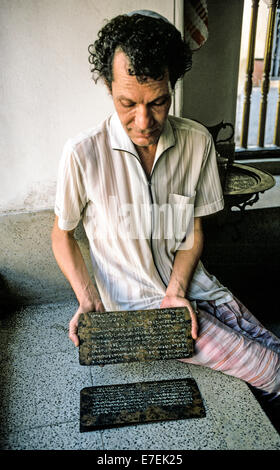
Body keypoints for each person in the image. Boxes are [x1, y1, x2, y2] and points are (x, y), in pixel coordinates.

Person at [51, 10, 280, 397]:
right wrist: (88, 298)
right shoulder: (83, 154)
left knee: (272, 347)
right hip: (142, 313)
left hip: (199, 289)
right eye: (127, 103)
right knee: (274, 372)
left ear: (172, 84)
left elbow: (192, 228)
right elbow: (62, 235)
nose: (143, 121)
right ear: (109, 86)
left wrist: (177, 289)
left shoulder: (196, 142)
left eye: (158, 103)